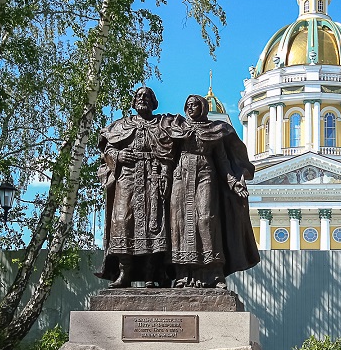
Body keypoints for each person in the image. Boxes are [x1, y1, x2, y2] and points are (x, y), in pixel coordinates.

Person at [168, 94, 260, 288]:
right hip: (181, 177)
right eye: (188, 105)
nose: (191, 108)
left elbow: (223, 161)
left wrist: (234, 183)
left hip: (205, 173)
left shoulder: (215, 130)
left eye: (195, 105)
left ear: (203, 108)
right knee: (181, 222)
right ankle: (184, 274)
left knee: (207, 219)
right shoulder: (177, 129)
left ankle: (214, 273)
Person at [96, 87, 175, 288]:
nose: (142, 99)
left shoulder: (161, 125)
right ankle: (124, 273)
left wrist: (165, 173)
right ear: (133, 102)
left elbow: (169, 150)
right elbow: (108, 146)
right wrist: (117, 156)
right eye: (139, 96)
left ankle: (151, 274)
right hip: (128, 177)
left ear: (153, 101)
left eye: (147, 96)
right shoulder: (123, 125)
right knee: (122, 222)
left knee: (154, 224)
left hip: (153, 176)